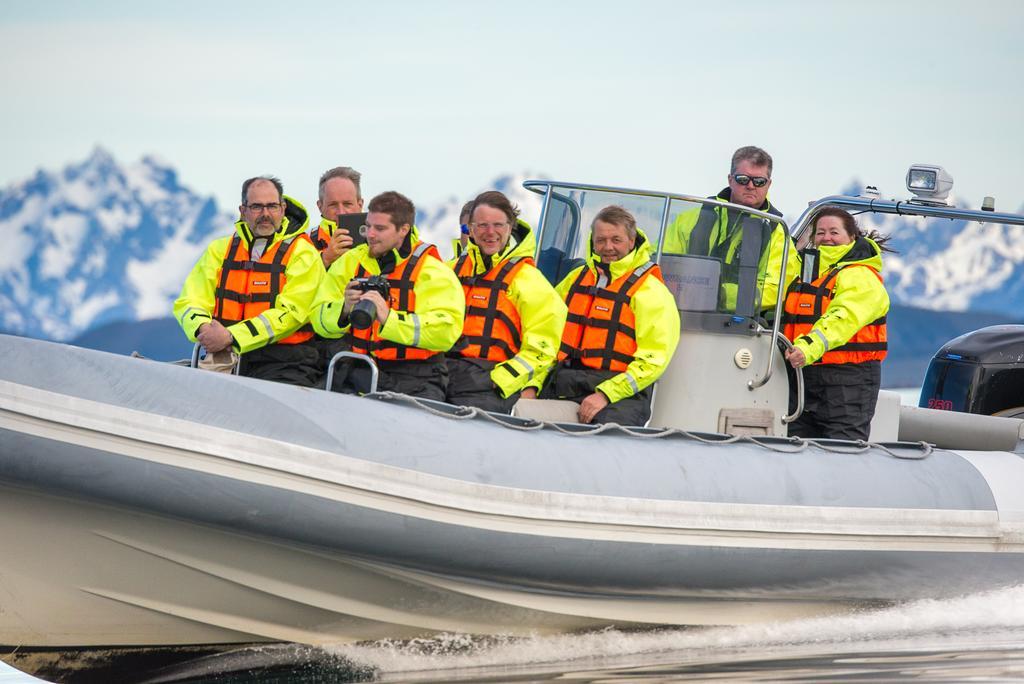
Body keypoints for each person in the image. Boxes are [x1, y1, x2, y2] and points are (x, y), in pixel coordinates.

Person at [309, 191, 464, 400]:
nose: (370, 234)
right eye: (368, 226)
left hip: (417, 379)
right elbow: (318, 319)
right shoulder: (350, 261)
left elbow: (446, 332)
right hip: (356, 372)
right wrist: (343, 308)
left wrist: (389, 318)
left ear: (403, 230)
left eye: (380, 228)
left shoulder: (432, 271)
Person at [174, 176, 324, 386]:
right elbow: (189, 301)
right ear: (242, 211)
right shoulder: (219, 250)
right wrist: (202, 329)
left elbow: (292, 314)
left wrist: (232, 336)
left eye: (271, 206)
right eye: (256, 207)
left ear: (282, 208)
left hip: (287, 363)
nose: (265, 214)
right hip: (224, 358)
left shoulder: (303, 254)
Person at [537, 205, 680, 425]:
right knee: (521, 413)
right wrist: (532, 385)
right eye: (601, 240)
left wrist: (605, 395)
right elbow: (545, 331)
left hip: (622, 396)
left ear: (632, 242)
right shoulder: (576, 278)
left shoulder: (651, 291)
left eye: (616, 240)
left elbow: (653, 360)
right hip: (564, 383)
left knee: (602, 438)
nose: (608, 247)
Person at [446, 191, 567, 413]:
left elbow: (544, 348)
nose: (490, 232)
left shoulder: (528, 279)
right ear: (470, 229)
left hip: (490, 382)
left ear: (510, 228)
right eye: (482, 226)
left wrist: (502, 380)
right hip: (441, 374)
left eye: (498, 225)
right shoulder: (449, 271)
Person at [782, 207, 891, 441]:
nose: (827, 238)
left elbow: (843, 317)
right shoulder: (805, 272)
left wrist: (807, 347)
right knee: (796, 444)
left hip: (848, 379)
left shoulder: (860, 275)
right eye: (820, 233)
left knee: (842, 448)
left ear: (852, 237)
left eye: (834, 232)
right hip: (804, 376)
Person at [663, 146, 800, 314]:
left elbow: (775, 289)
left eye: (759, 181)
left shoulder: (777, 233)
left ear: (769, 184)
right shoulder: (691, 218)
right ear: (730, 179)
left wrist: (718, 294)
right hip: (681, 315)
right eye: (743, 179)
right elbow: (661, 262)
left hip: (739, 327)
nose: (751, 186)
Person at [310, 166, 364, 269]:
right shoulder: (304, 243)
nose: (341, 212)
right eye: (333, 205)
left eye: (347, 204)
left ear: (360, 204)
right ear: (320, 206)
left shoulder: (378, 240)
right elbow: (297, 284)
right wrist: (325, 259)